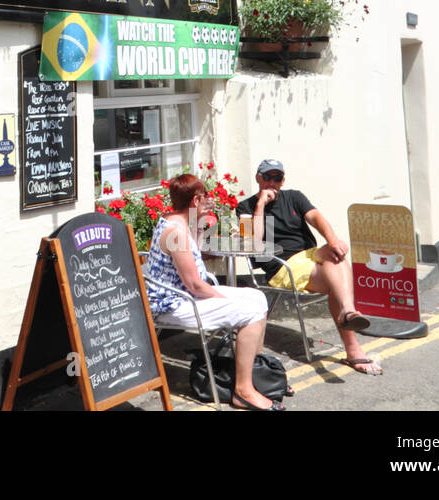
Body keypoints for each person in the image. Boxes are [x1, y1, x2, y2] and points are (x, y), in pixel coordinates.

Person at [142, 173, 282, 410]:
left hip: (181, 295)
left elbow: (194, 251)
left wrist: (201, 218)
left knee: (257, 296)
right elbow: (194, 285)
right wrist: (224, 297)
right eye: (204, 196)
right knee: (249, 310)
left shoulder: (174, 220)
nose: (208, 198)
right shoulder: (175, 232)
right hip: (174, 303)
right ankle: (243, 390)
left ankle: (253, 371)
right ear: (195, 200)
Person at [238, 158, 383, 376]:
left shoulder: (294, 196)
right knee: (335, 273)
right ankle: (352, 340)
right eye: (267, 177)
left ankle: (348, 311)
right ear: (258, 178)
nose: (272, 182)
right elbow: (252, 243)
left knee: (335, 253)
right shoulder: (245, 207)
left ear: (283, 180)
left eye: (277, 178)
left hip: (310, 254)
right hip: (282, 266)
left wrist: (333, 240)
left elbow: (315, 217)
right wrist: (260, 204)